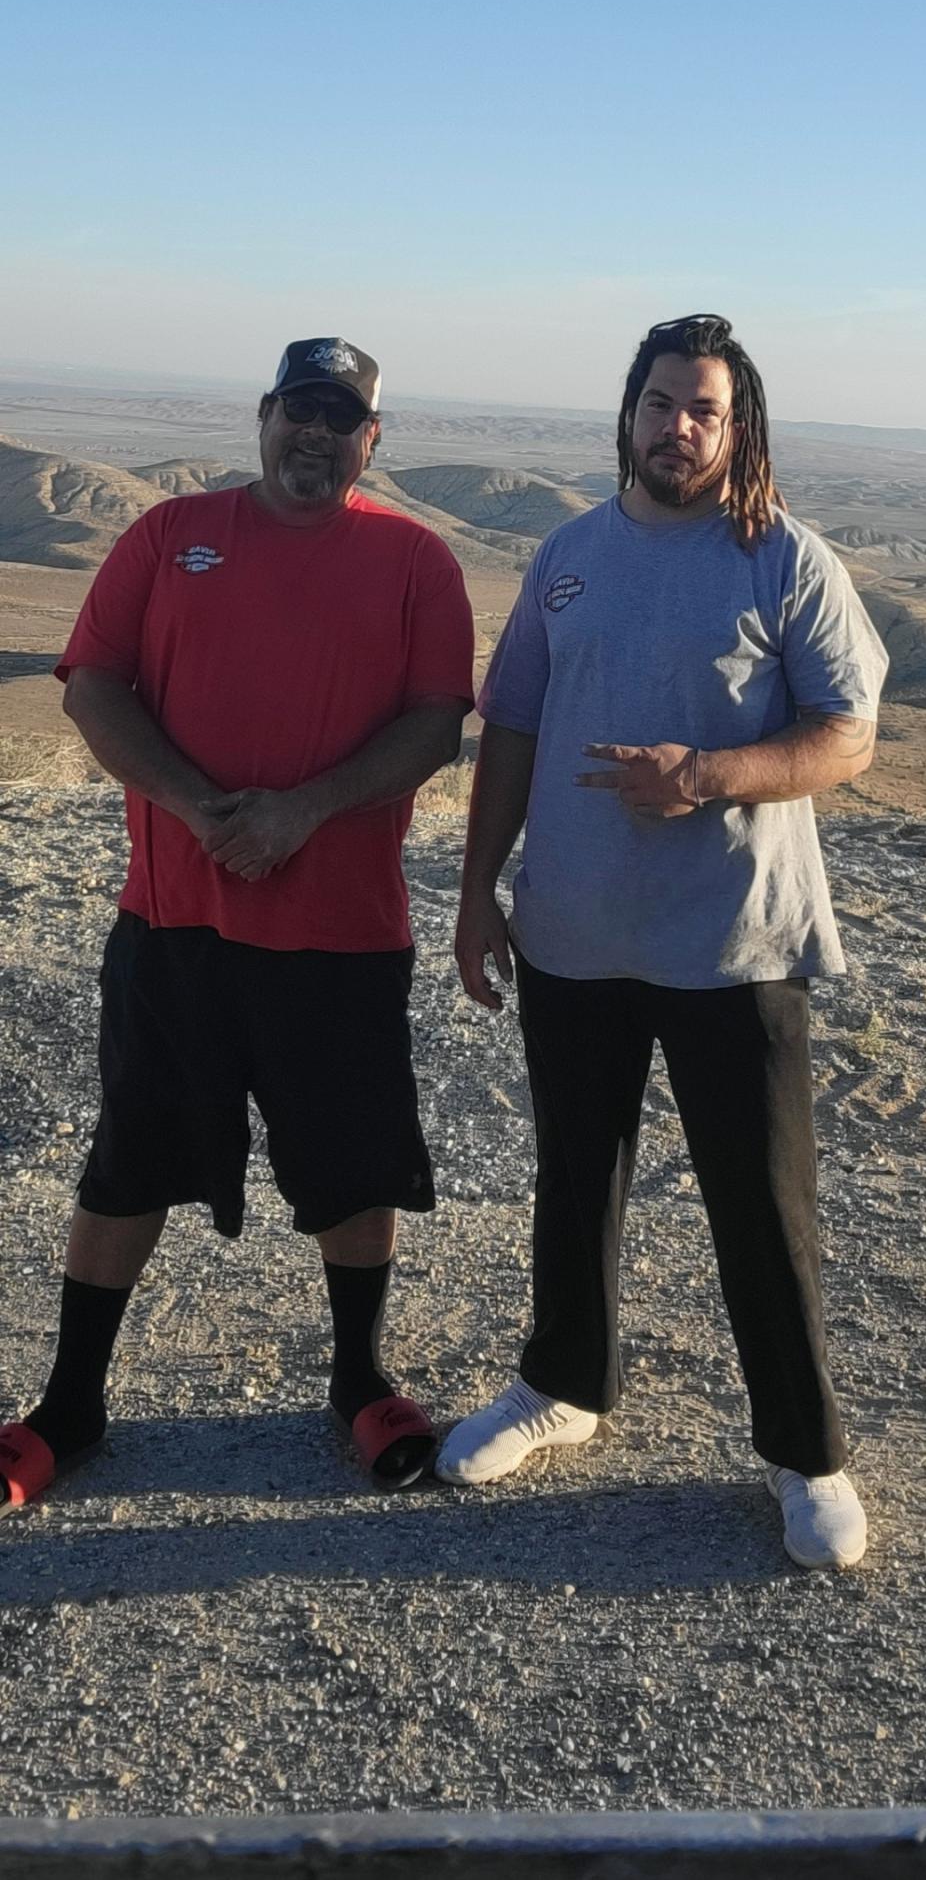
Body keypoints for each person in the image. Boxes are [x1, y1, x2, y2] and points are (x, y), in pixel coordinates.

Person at [436, 313, 888, 1571]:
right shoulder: (569, 555)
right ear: (625, 412)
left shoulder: (781, 559)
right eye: (659, 403)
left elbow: (849, 735)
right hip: (577, 935)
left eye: (703, 409)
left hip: (734, 942)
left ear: (735, 427)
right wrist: (479, 893)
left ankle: (807, 1455)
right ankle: (563, 1385)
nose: (676, 427)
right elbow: (514, 727)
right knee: (576, 1179)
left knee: (762, 1206)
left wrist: (711, 773)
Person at [0, 336, 474, 1518]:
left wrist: (302, 812)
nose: (315, 433)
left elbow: (434, 725)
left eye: (343, 417)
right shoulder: (168, 538)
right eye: (298, 410)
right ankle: (72, 1406)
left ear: (374, 439)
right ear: (264, 417)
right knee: (127, 1168)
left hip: (344, 934)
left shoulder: (417, 562)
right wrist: (198, 809)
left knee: (353, 1172)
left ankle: (358, 1381)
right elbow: (96, 683)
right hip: (175, 924)